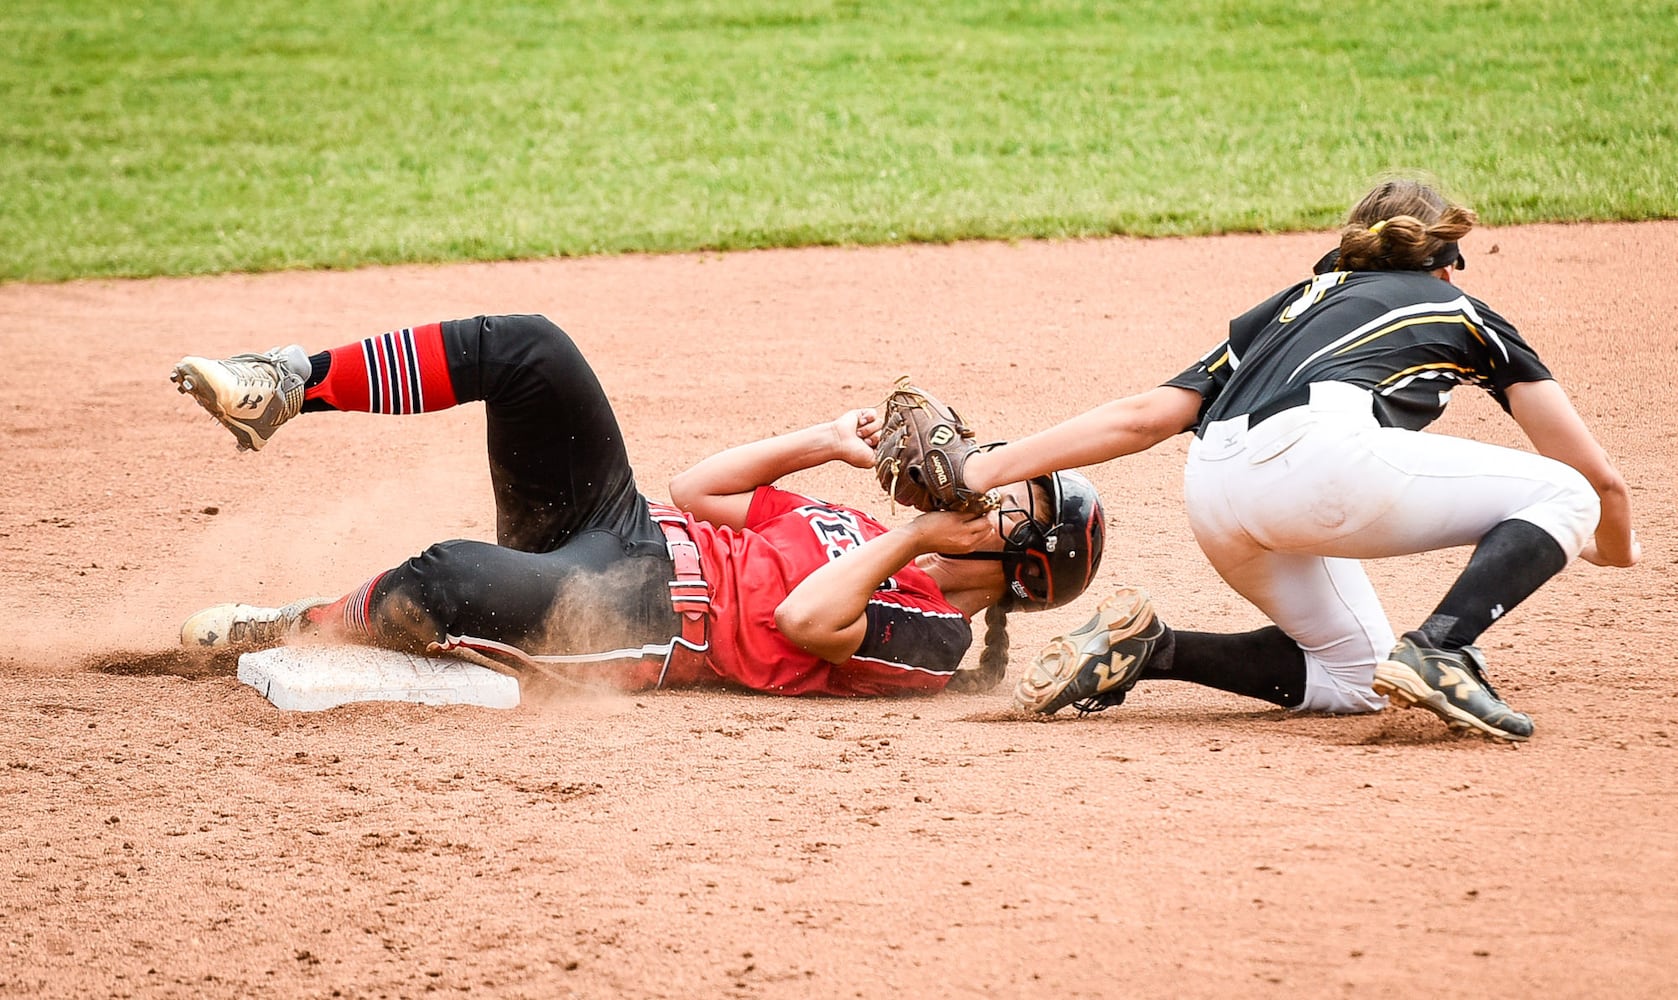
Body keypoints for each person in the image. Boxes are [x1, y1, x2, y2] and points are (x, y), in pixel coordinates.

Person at [960, 177, 1638, 740]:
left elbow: (1147, 418)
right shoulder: (1461, 309)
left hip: (1215, 493)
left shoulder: (1290, 307)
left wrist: (986, 466)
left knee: (1357, 678)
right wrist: (1607, 544)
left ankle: (1153, 647)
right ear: (1446, 261)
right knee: (1563, 493)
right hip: (1319, 464)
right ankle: (1441, 649)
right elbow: (1595, 478)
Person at [168, 313, 1106, 698]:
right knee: (533, 350)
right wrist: (823, 439)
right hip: (619, 524)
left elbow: (803, 617)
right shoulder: (863, 532)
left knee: (445, 574)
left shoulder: (935, 642)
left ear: (1023, 572)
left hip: (628, 614)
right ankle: (291, 384)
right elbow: (700, 491)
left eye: (1011, 509)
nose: (985, 490)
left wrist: (911, 535)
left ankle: (291, 625)